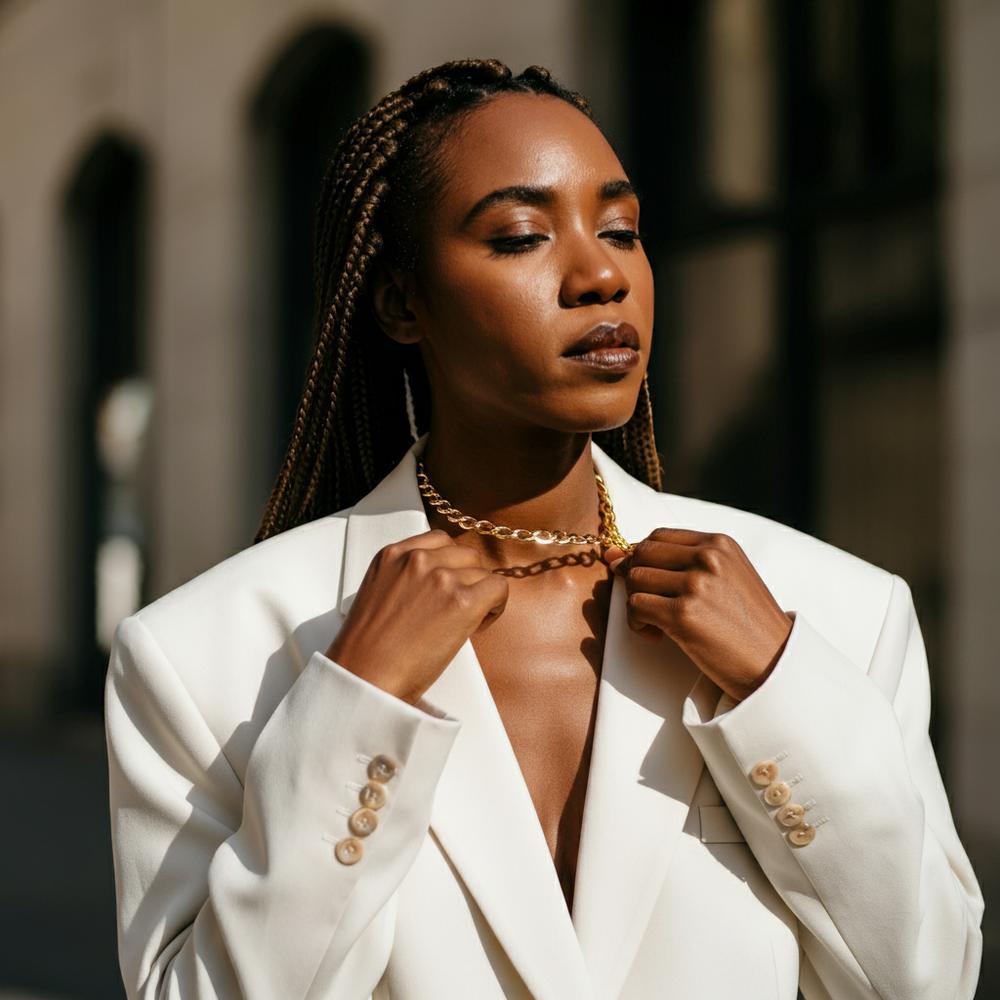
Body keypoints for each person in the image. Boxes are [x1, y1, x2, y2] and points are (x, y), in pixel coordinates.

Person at [104, 58, 984, 1000]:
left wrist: (782, 692)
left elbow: (925, 979)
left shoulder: (837, 615)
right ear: (403, 302)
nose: (601, 274)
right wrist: (355, 708)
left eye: (622, 230)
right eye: (523, 235)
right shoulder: (208, 657)